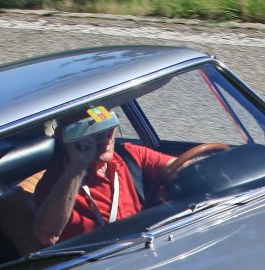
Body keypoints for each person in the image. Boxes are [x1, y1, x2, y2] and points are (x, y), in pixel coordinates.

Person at [21, 105, 176, 248]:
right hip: (98, 262)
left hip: (145, 246)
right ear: (65, 136)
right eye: (90, 128)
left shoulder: (130, 155)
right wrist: (77, 168)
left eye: (107, 123)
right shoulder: (54, 182)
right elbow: (46, 236)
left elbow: (181, 167)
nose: (105, 136)